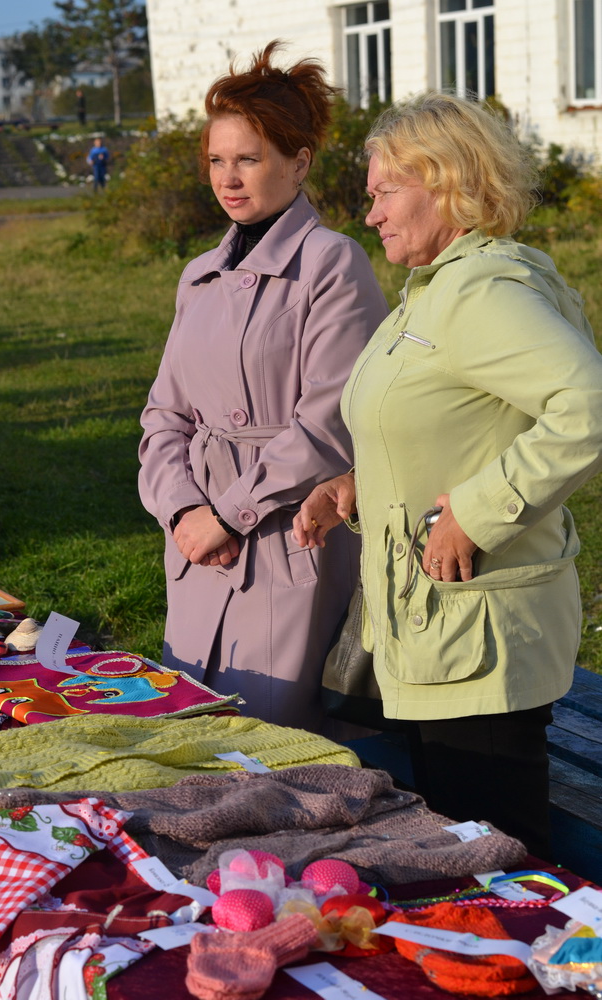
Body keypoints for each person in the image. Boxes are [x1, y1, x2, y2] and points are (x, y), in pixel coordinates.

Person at [293, 92, 602, 856]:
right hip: (441, 628)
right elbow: (452, 421)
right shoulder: (432, 291)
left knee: (498, 862)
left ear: (446, 182)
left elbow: (587, 403)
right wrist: (356, 487)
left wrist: (477, 512)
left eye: (383, 193)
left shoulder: (482, 294)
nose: (371, 215)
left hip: (481, 635)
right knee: (459, 849)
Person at [138, 42, 388, 731]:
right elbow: (163, 413)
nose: (229, 178)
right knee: (186, 737)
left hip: (287, 534)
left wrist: (229, 515)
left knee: (277, 744)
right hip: (194, 543)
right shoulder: (197, 274)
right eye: (217, 161)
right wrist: (182, 510)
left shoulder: (334, 264)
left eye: (248, 159)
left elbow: (331, 419)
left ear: (298, 162)